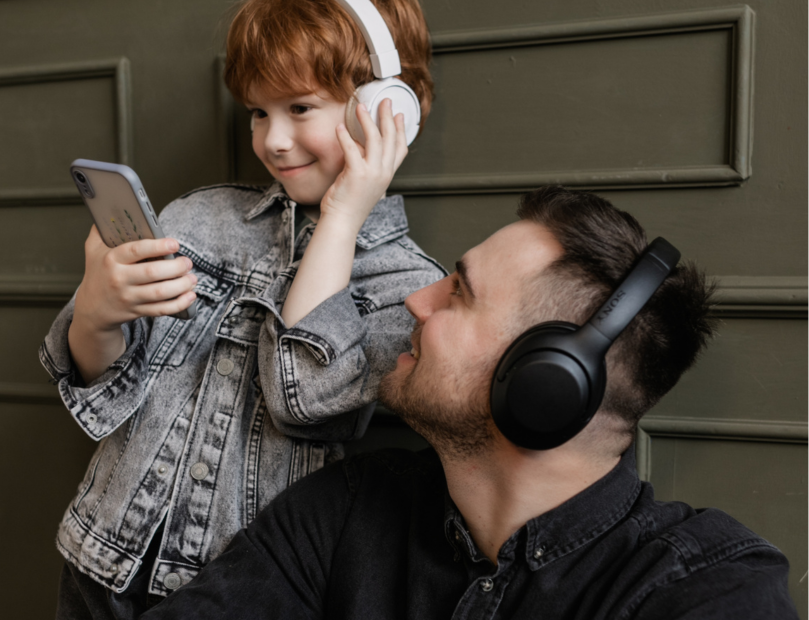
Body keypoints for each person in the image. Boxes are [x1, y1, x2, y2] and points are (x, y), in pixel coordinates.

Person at [139, 186, 799, 619]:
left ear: (549, 381)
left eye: (458, 293)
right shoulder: (345, 511)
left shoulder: (710, 590)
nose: (415, 301)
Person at [39, 0, 445, 615]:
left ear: (388, 110)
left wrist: (341, 219)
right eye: (259, 112)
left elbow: (303, 397)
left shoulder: (408, 286)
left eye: (300, 108)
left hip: (242, 594)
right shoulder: (196, 217)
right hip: (98, 562)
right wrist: (98, 310)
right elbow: (103, 386)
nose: (273, 141)